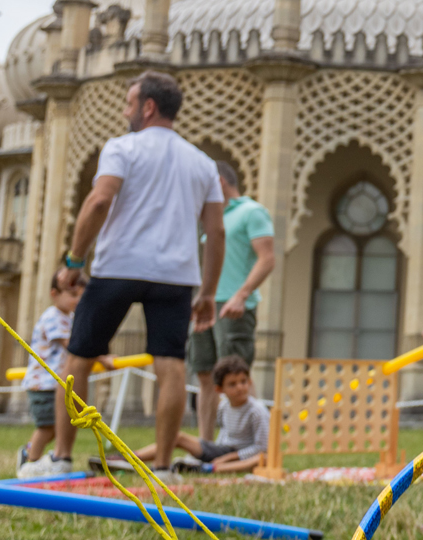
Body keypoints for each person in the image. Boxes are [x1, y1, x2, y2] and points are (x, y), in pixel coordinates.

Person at [53, 70, 225, 472]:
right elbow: (216, 231)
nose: (124, 110)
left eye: (129, 103)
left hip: (118, 268)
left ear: (148, 107)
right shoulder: (202, 163)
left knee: (78, 359)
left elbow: (98, 202)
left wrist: (74, 262)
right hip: (176, 276)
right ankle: (163, 466)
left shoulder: (121, 149)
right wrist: (208, 294)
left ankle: (60, 457)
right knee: (170, 365)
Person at [187, 160, 274, 442]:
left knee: (238, 378)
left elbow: (267, 258)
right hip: (206, 306)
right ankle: (206, 443)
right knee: (205, 377)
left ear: (219, 182)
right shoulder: (212, 217)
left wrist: (242, 294)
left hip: (234, 309)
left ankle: (260, 444)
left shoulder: (252, 212)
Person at [16, 274, 112, 478]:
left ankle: (33, 458)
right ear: (54, 294)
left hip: (56, 384)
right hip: (43, 385)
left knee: (55, 427)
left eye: (82, 296)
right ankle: (30, 462)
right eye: (73, 295)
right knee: (47, 427)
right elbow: (72, 346)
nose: (78, 301)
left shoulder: (68, 318)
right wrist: (102, 358)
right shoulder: (53, 317)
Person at [129, 356, 269, 474]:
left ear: (249, 382)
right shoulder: (224, 407)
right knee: (178, 437)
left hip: (242, 456)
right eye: (232, 384)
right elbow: (224, 435)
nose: (240, 387)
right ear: (219, 389)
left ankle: (207, 468)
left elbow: (261, 448)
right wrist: (218, 454)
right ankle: (130, 458)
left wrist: (229, 458)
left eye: (243, 382)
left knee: (263, 459)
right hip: (222, 451)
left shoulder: (257, 411)